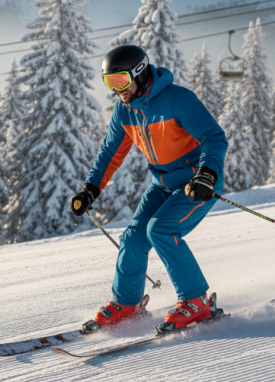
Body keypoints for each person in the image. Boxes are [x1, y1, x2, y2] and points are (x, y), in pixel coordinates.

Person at [69, 45, 228, 334]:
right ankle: (126, 303)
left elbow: (214, 137)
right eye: (109, 83)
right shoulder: (125, 110)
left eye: (121, 81)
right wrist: (90, 189)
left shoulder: (177, 100)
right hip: (163, 183)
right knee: (133, 237)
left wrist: (207, 174)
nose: (117, 90)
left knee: (161, 229)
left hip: (197, 182)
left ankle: (197, 301)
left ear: (140, 74)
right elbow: (110, 153)